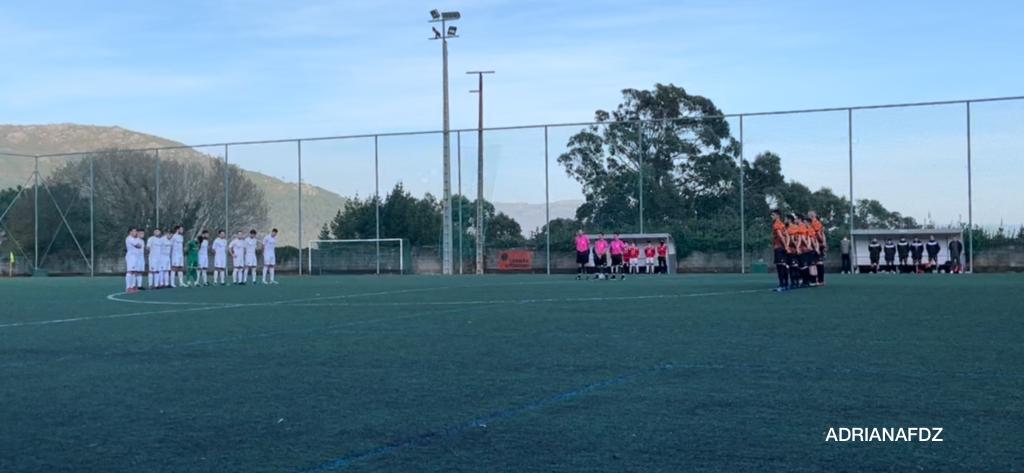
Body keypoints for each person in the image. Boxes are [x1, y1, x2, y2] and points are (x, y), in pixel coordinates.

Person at [771, 210, 789, 291]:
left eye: (773, 215)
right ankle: (786, 284)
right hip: (783, 247)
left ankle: (782, 285)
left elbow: (781, 236)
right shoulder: (783, 224)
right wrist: (787, 245)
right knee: (783, 265)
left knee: (780, 266)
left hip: (779, 247)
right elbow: (787, 236)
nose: (772, 216)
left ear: (777, 215)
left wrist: (785, 246)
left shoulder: (777, 224)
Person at [808, 211, 826, 285]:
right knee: (815, 262)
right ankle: (818, 280)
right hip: (815, 244)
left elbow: (819, 233)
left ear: (813, 215)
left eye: (809, 215)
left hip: (816, 244)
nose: (808, 216)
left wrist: (822, 242)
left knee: (817, 262)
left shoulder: (816, 223)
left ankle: (818, 280)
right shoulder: (812, 223)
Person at [124, 228, 141, 293]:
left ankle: (133, 286)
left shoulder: (134, 239)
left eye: (136, 231)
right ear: (130, 232)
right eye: (134, 231)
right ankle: (128, 287)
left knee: (134, 272)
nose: (135, 232)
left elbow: (140, 245)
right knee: (130, 271)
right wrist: (139, 245)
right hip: (131, 257)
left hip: (135, 257)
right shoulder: (129, 238)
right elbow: (138, 246)